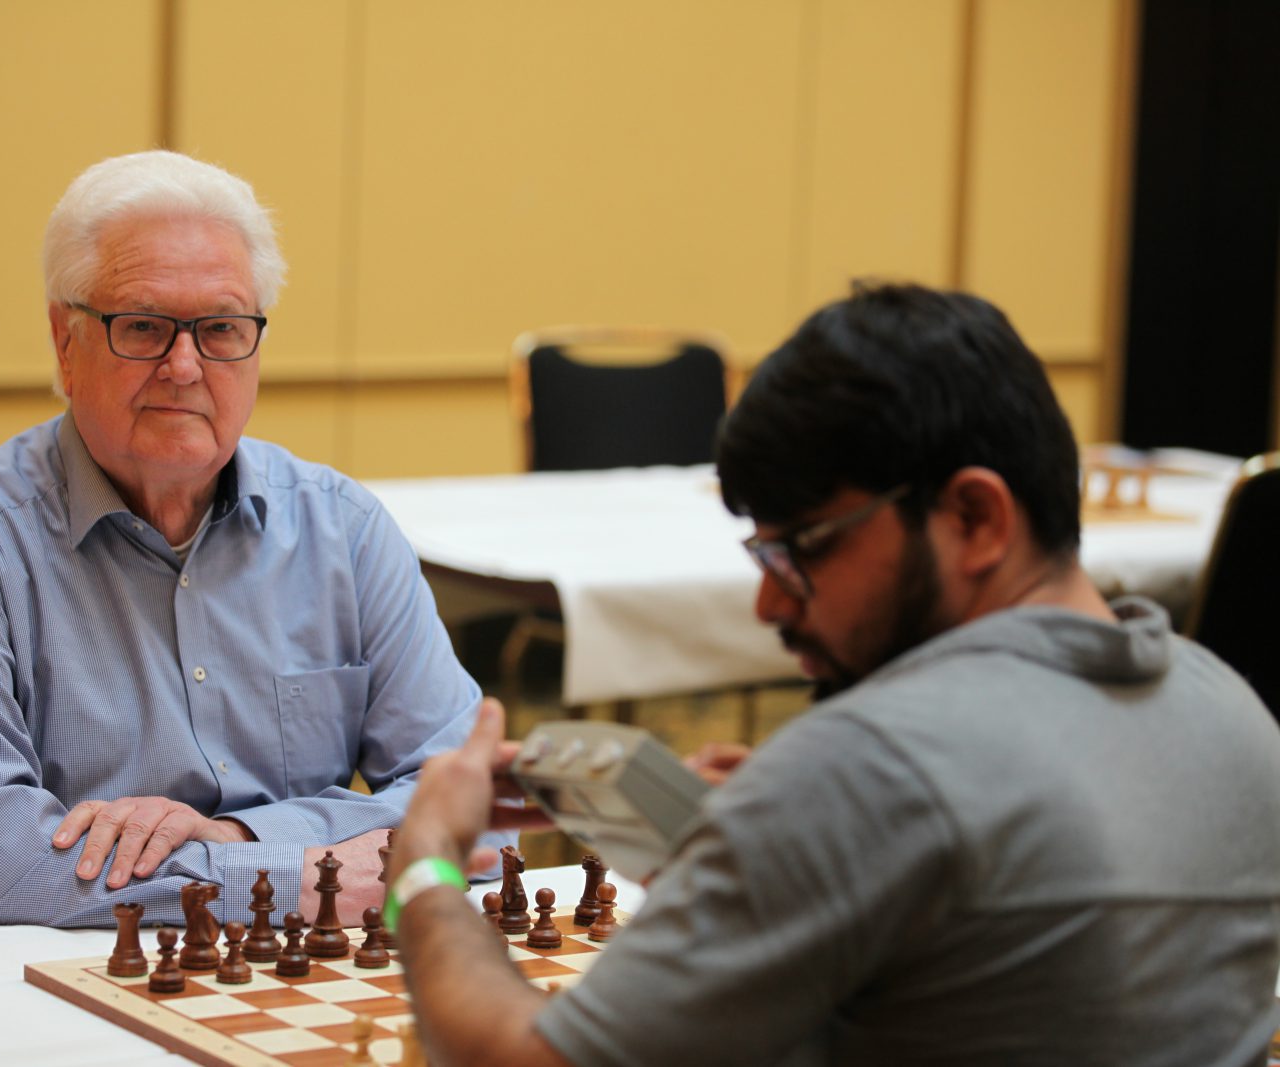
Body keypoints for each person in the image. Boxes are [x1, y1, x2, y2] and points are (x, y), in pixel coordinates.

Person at [387, 284, 1280, 1065]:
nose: (771, 603)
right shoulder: (1231, 709)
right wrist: (772, 845)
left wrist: (427, 867)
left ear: (975, 517)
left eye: (804, 549)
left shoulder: (870, 768)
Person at [0, 150, 487, 932]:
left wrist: (239, 838)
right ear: (65, 342)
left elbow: (478, 811)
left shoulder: (344, 530)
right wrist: (285, 876)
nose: (185, 367)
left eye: (222, 328)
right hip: (8, 989)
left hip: (269, 978)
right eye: (144, 327)